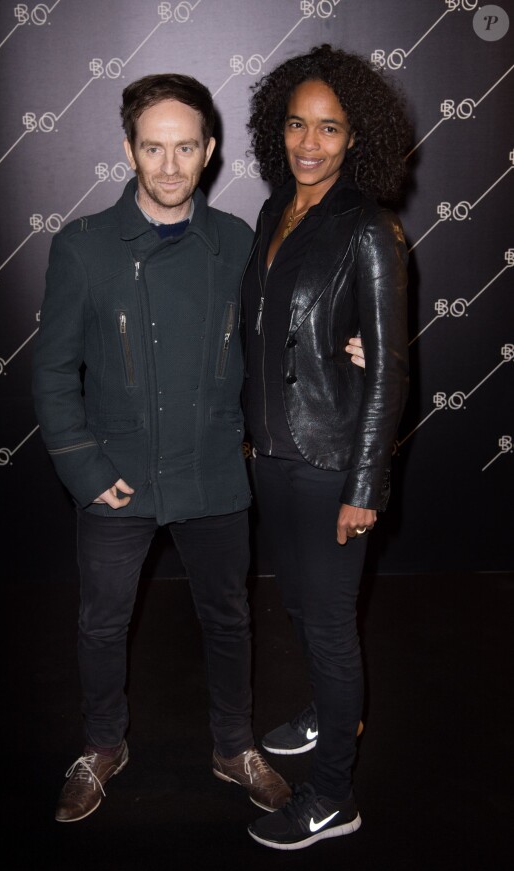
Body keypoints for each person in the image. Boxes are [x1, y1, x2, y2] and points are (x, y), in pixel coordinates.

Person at [31, 72, 293, 823]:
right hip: (117, 474)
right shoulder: (82, 247)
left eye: (186, 148)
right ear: (129, 149)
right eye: (154, 147)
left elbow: (271, 345)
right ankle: (103, 745)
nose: (171, 165)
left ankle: (233, 743)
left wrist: (345, 351)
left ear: (209, 152)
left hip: (213, 471)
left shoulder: (239, 242)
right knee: (101, 623)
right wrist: (85, 466)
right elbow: (53, 371)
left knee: (230, 617)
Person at [240, 44, 411, 850]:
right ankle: (325, 710)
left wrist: (366, 482)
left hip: (331, 459)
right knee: (304, 605)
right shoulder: (277, 210)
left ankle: (334, 797)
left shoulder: (368, 230)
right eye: (299, 124)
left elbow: (391, 368)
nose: (311, 142)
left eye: (331, 128)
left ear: (356, 138)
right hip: (274, 455)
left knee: (333, 625)